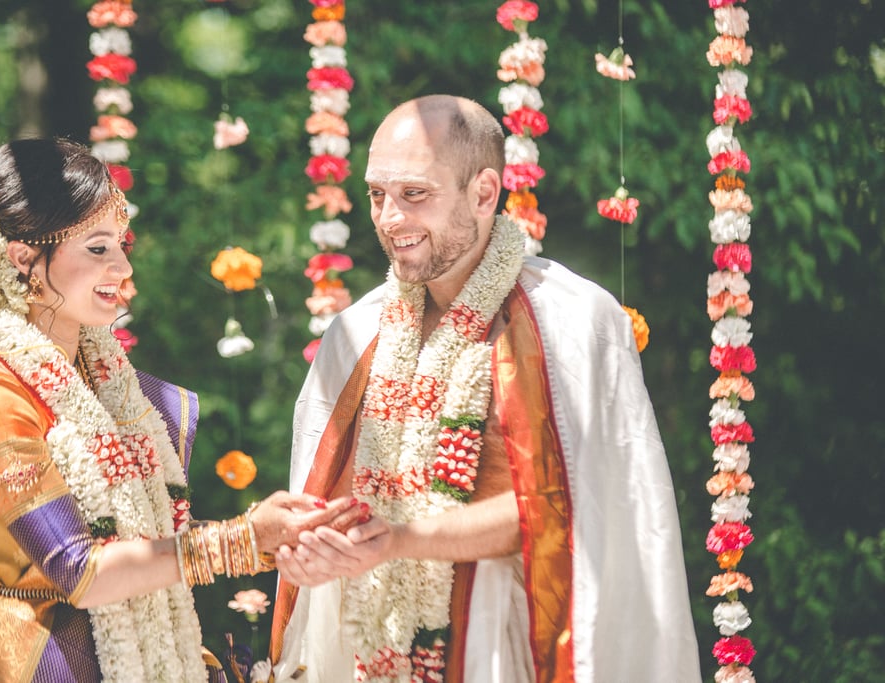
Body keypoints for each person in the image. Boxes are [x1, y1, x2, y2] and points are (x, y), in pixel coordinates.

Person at [269, 95, 702, 682]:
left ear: (483, 192)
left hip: (508, 644)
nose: (390, 219)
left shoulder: (571, 324)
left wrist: (399, 540)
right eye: (377, 194)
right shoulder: (356, 333)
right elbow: (328, 493)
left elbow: (572, 508)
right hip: (370, 647)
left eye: (414, 194)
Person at [0, 138, 363, 683]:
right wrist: (241, 539)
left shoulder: (107, 384)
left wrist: (272, 543)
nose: (122, 267)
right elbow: (80, 569)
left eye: (121, 244)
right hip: (28, 662)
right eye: (97, 248)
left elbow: (145, 538)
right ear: (23, 259)